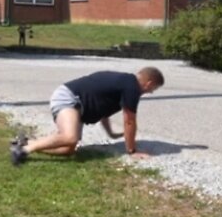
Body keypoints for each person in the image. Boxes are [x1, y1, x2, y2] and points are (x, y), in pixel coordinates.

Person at [10, 67, 164, 165]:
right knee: (70, 137)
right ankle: (24, 151)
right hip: (69, 97)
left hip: (78, 107)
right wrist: (132, 151)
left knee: (68, 150)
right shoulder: (131, 87)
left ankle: (26, 143)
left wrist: (110, 133)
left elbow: (103, 110)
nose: (150, 92)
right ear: (149, 83)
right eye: (153, 89)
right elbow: (129, 121)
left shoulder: (124, 83)